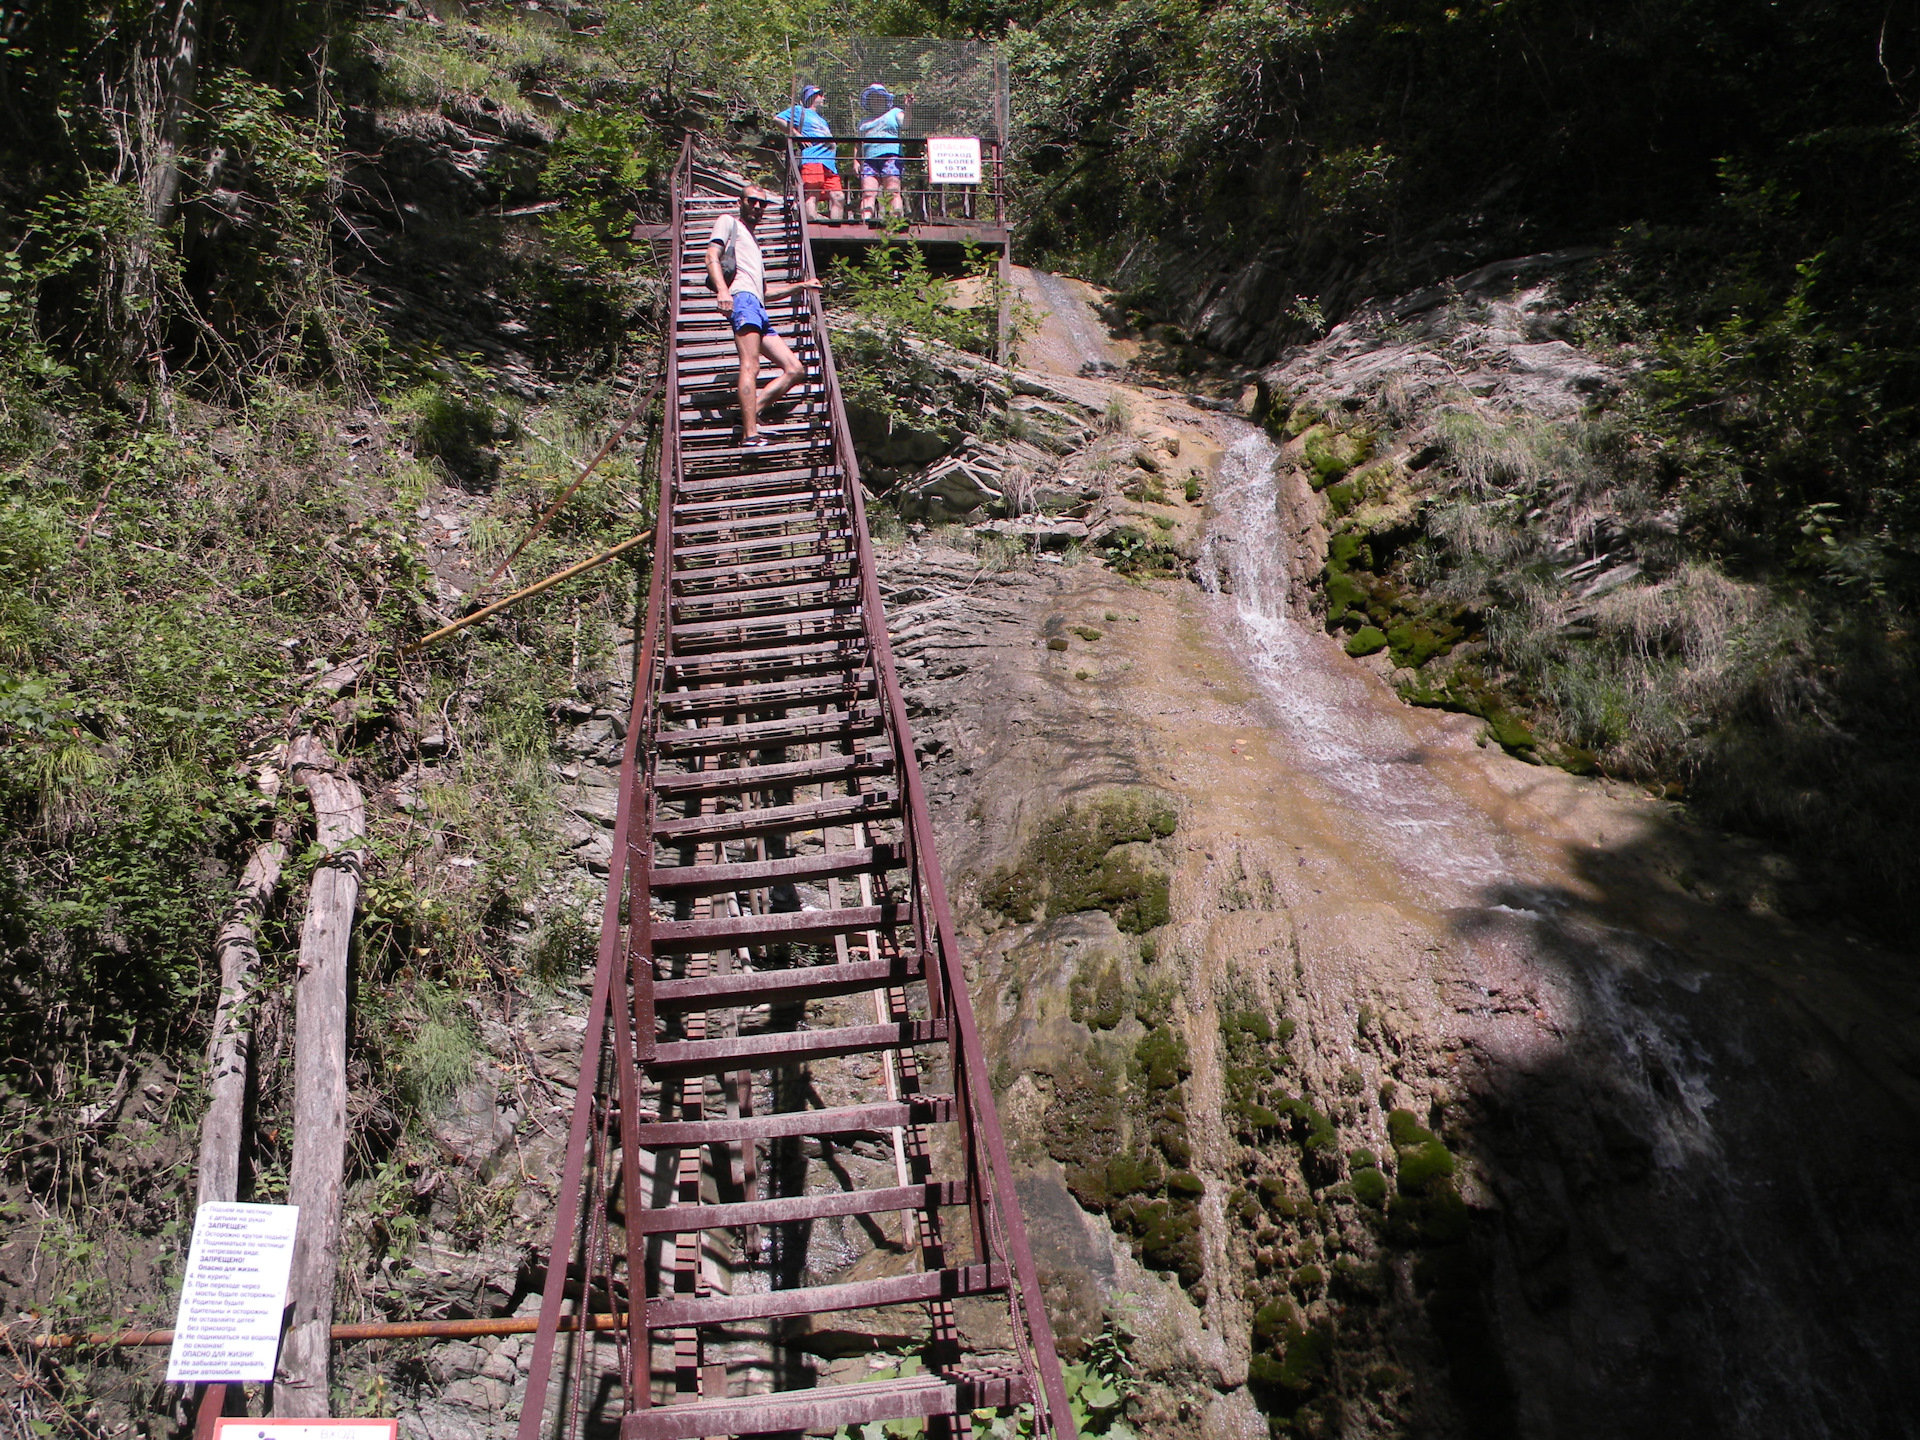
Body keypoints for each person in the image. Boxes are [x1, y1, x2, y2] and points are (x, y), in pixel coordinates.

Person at [706, 187, 822, 447]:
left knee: (795, 369)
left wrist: (801, 286)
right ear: (741, 202)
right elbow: (711, 256)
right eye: (752, 201)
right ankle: (750, 435)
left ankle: (748, 413)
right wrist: (723, 290)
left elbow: (765, 292)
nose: (757, 206)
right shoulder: (728, 222)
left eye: (763, 203)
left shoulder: (754, 243)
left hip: (757, 304)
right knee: (751, 365)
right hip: (742, 300)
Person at [775, 84, 844, 223]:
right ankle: (811, 226)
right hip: (813, 158)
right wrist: (796, 134)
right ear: (812, 96)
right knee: (812, 194)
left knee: (838, 196)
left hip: (829, 163)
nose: (823, 98)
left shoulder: (822, 120)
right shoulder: (800, 111)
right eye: (820, 95)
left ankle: (836, 227)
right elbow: (778, 119)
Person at [856, 83, 913, 221]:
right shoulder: (863, 122)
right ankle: (865, 222)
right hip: (869, 160)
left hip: (891, 156)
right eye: (873, 98)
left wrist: (909, 107)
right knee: (868, 192)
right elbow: (858, 143)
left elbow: (906, 123)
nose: (876, 100)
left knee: (892, 190)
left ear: (885, 100)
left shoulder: (894, 112)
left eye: (879, 97)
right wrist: (856, 160)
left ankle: (895, 221)